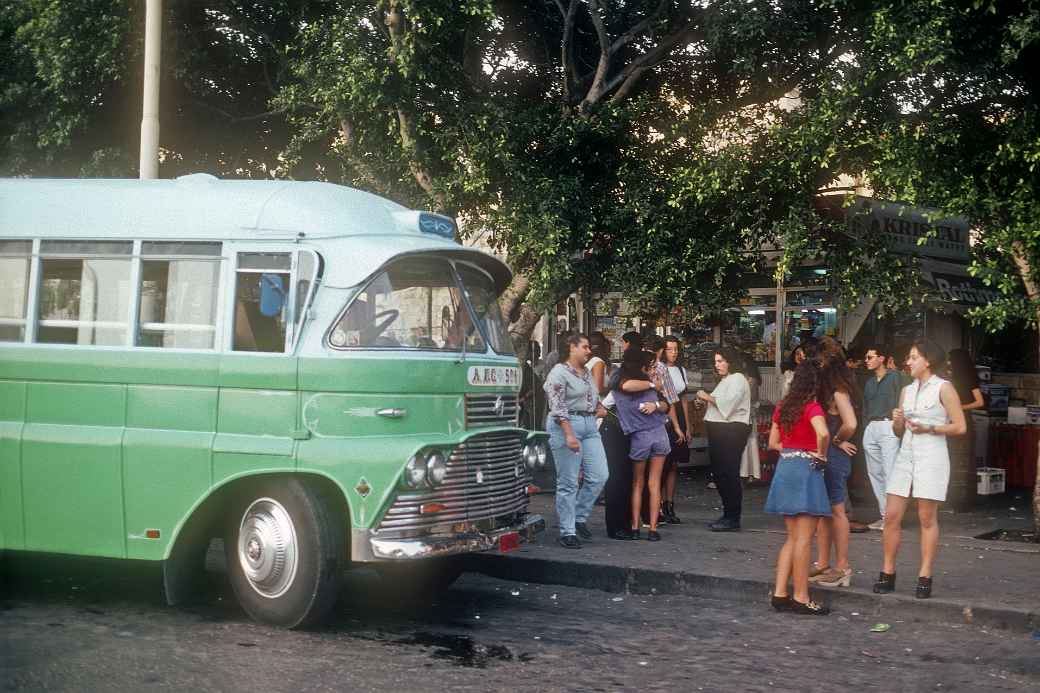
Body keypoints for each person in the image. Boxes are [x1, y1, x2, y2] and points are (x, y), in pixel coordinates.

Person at [874, 339, 967, 598]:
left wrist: (931, 428)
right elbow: (897, 432)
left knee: (927, 518)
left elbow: (960, 426)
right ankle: (888, 571)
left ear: (928, 360)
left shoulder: (944, 388)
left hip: (932, 457)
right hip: (906, 456)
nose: (908, 362)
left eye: (913, 357)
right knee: (891, 515)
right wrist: (897, 422)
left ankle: (925, 576)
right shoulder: (907, 390)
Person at [765, 359, 832, 615]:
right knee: (805, 539)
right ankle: (802, 596)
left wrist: (793, 450)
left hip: (786, 468)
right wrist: (820, 454)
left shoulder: (784, 406)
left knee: (792, 538)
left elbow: (773, 443)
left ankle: (780, 593)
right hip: (806, 470)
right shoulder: (812, 407)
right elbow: (823, 433)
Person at [543, 333, 609, 548]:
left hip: (589, 425)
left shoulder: (587, 372)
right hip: (566, 424)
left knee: (599, 475)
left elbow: (593, 397)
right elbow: (557, 405)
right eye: (585, 347)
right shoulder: (558, 373)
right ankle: (567, 531)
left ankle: (579, 517)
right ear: (571, 348)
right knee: (569, 481)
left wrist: (598, 408)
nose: (589, 351)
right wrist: (569, 433)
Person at [808, 337, 858, 588]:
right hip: (829, 454)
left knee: (836, 510)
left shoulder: (837, 391)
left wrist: (837, 440)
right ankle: (823, 563)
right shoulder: (836, 388)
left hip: (833, 457)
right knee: (825, 511)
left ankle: (842, 566)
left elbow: (850, 423)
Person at [614, 349, 672, 541]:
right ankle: (653, 529)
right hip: (660, 434)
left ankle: (635, 527)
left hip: (640, 438)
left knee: (637, 483)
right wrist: (655, 399)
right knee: (654, 483)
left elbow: (625, 387)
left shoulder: (623, 384)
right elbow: (666, 405)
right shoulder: (651, 386)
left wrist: (655, 402)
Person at [696, 346, 752, 531]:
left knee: (728, 473)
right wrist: (704, 400)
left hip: (731, 430)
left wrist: (706, 396)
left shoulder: (738, 379)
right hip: (720, 429)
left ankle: (732, 516)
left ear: (730, 361)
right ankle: (728, 513)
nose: (717, 365)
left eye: (721, 361)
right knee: (720, 473)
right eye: (716, 362)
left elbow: (727, 404)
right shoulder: (726, 380)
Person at [861, 344, 903, 530]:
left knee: (890, 471)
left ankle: (893, 517)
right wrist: (866, 427)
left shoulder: (895, 377)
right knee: (875, 473)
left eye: (870, 357)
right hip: (871, 426)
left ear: (881, 358)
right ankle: (885, 515)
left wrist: (897, 424)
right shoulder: (869, 383)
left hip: (888, 425)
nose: (866, 361)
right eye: (866, 357)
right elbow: (864, 406)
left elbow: (905, 395)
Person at [662, 336, 693, 523]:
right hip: (664, 416)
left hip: (679, 416)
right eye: (670, 349)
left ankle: (669, 503)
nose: (674, 352)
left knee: (674, 464)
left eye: (676, 349)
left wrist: (687, 425)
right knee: (662, 463)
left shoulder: (681, 370)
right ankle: (657, 505)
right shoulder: (659, 369)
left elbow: (684, 399)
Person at [740, 355, 762, 483]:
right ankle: (748, 473)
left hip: (747, 414)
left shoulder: (750, 380)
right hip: (748, 413)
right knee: (749, 444)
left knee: (749, 443)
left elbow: (750, 399)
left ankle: (748, 473)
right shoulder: (749, 379)